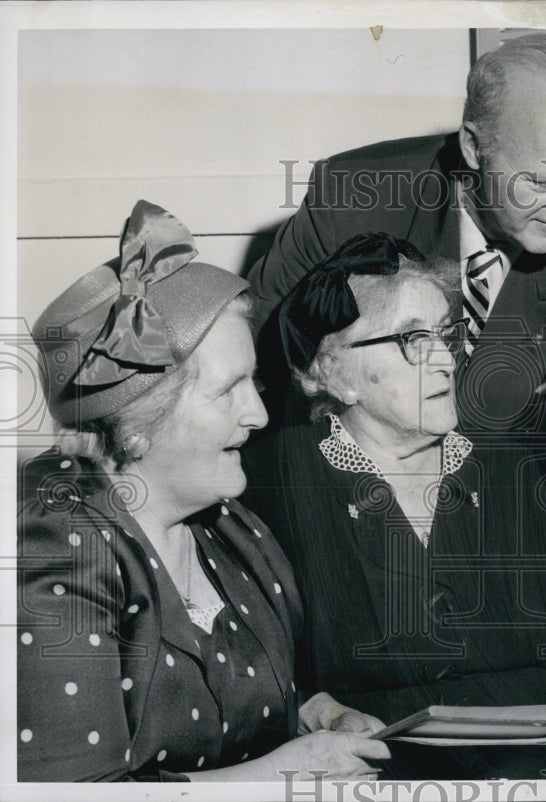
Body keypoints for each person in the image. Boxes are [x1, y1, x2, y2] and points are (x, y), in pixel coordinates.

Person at [246, 32, 546, 687]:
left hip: (507, 561)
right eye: (543, 179)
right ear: (474, 146)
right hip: (337, 541)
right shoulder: (351, 197)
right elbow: (259, 375)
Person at [17, 201, 390, 782]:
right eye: (229, 390)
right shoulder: (48, 547)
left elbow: (227, 703)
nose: (261, 414)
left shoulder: (229, 526)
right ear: (140, 423)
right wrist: (282, 777)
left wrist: (318, 714)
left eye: (255, 382)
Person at [241, 232, 546, 778]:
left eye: (446, 335)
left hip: (538, 761)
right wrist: (324, 711)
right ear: (330, 372)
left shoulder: (507, 466)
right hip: (376, 768)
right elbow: (257, 674)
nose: (444, 360)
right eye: (412, 340)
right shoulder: (272, 479)